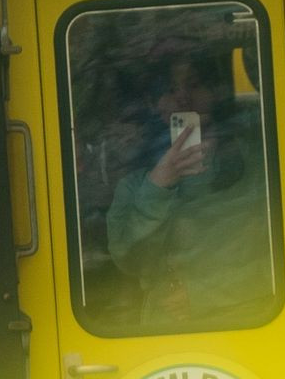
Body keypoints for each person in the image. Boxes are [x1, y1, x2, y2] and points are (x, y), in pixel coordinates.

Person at [102, 46, 271, 320]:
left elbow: (282, 259)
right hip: (169, 329)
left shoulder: (257, 162)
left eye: (194, 84)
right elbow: (133, 263)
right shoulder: (135, 185)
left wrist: (203, 295)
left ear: (216, 93)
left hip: (251, 321)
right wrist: (158, 186)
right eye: (170, 90)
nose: (183, 97)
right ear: (154, 104)